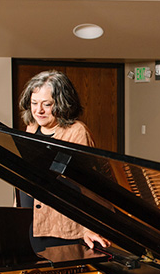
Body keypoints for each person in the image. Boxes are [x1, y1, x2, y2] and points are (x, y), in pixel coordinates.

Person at [18, 70, 111, 251]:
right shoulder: (31, 127)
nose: (39, 110)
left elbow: (89, 186)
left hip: (65, 228)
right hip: (34, 223)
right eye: (34, 103)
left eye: (47, 104)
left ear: (62, 104)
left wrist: (89, 227)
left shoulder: (77, 132)